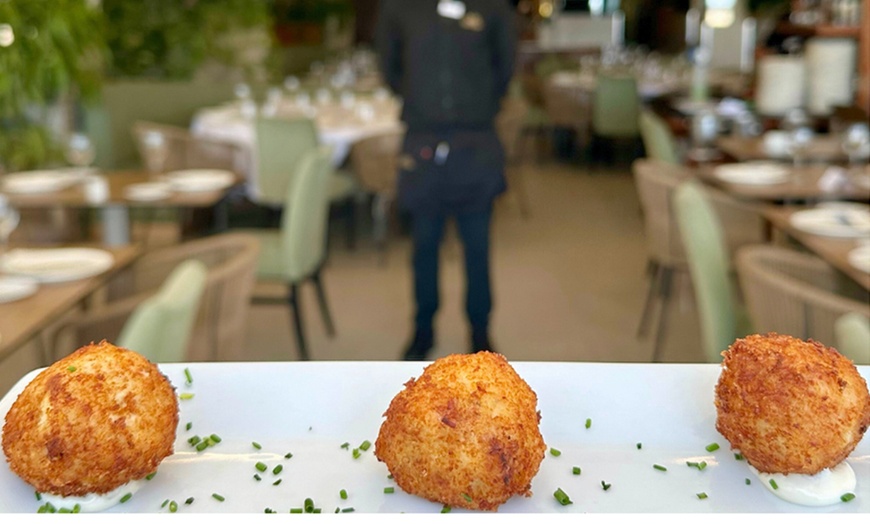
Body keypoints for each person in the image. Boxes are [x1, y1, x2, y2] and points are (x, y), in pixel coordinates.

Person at [375, 0, 517, 360]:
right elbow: (390, 69)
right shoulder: (398, 9)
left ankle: (481, 333)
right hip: (423, 144)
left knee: (478, 247)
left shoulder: (493, 8)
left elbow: (504, 69)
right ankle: (422, 331)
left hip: (476, 144)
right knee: (423, 247)